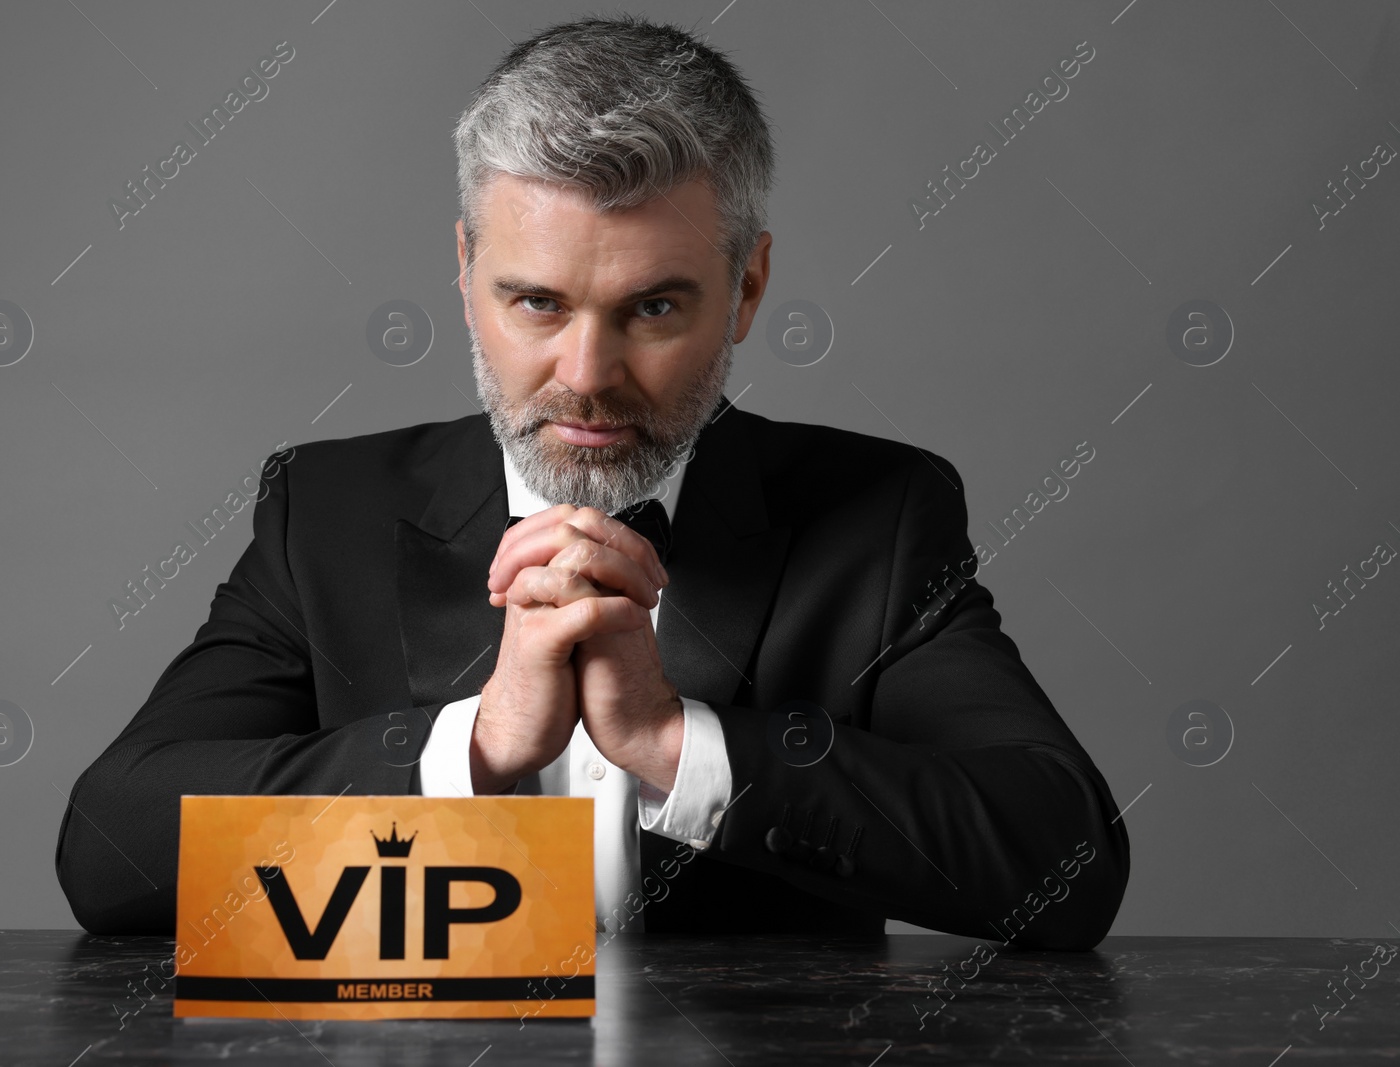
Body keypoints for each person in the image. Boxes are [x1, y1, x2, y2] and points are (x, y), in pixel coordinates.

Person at [56, 14, 1129, 949]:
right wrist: (469, 747)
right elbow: (111, 851)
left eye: (652, 309)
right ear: (465, 270)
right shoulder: (326, 508)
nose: (585, 376)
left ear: (745, 288)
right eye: (535, 303)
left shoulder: (875, 517)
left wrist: (677, 741)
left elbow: (1066, 866)